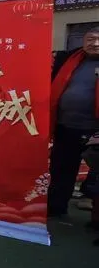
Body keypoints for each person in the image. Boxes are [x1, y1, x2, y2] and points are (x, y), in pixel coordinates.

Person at [48, 27, 99, 216]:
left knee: (96, 173)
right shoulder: (67, 59)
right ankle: (56, 208)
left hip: (95, 129)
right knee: (61, 168)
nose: (95, 43)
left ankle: (93, 211)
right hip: (65, 125)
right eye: (90, 39)